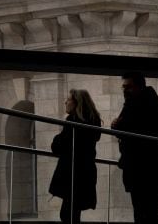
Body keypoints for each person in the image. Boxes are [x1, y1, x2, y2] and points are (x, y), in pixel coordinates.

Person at [111, 71, 158, 224]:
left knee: (146, 215)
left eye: (129, 87)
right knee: (146, 214)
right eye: (123, 87)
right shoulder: (138, 105)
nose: (125, 91)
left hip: (148, 172)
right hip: (142, 172)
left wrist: (120, 126)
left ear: (139, 87)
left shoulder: (147, 107)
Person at [50, 88, 102, 224]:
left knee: (67, 215)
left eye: (68, 99)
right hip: (85, 174)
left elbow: (57, 147)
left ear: (76, 102)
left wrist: (61, 130)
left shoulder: (73, 121)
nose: (65, 102)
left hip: (72, 174)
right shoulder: (92, 121)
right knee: (73, 213)